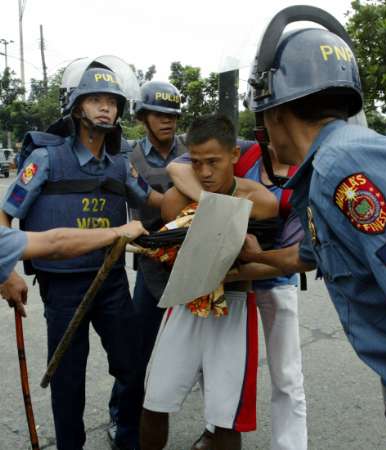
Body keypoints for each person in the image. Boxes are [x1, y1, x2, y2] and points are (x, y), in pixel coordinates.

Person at [238, 5, 386, 448]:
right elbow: (307, 255)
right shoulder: (325, 172)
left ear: (274, 113)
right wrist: (248, 260)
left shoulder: (341, 167)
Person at [0, 58, 160, 450]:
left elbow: (156, 204)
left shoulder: (123, 166)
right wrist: (6, 273)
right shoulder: (45, 160)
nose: (106, 107)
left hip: (112, 283)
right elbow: (5, 213)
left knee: (134, 367)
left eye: (113, 101)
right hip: (63, 287)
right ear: (77, 107)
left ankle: (127, 439)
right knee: (68, 380)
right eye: (96, 100)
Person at [139, 113, 278, 450]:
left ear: (233, 155)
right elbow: (170, 226)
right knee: (155, 400)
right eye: (197, 163)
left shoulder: (260, 200)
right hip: (186, 300)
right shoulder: (178, 197)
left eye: (213, 162)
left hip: (233, 306)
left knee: (226, 416)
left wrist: (203, 203)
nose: (204, 172)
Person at [167, 139, 307, 450]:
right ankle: (214, 429)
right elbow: (177, 167)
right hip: (226, 281)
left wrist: (240, 266)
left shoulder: (307, 171)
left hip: (274, 279)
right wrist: (213, 204)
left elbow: (296, 257)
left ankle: (290, 445)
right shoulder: (246, 150)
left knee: (286, 374)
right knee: (214, 362)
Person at [108, 80, 187, 450]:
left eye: (172, 114)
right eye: (159, 113)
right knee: (135, 356)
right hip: (150, 264)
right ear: (143, 117)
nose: (167, 121)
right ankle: (123, 426)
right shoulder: (129, 159)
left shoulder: (191, 152)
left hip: (188, 262)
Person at [0, 221, 148, 309]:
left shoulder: (120, 168)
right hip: (62, 286)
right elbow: (55, 243)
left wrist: (7, 271)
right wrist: (118, 232)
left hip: (111, 284)